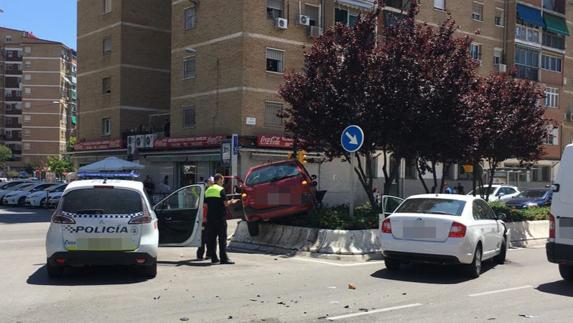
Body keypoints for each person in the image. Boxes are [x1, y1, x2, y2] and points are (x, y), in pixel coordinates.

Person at [205, 174, 234, 265]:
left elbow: (205, 205)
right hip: (220, 218)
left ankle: (214, 258)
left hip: (210, 218)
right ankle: (223, 258)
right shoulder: (220, 190)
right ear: (218, 180)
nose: (222, 183)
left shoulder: (208, 190)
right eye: (222, 181)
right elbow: (225, 203)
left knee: (212, 239)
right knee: (222, 238)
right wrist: (232, 202)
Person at [197, 177, 214, 260]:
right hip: (205, 218)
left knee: (207, 237)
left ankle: (207, 254)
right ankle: (202, 254)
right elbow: (204, 206)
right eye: (210, 182)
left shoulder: (207, 191)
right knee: (204, 237)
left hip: (208, 218)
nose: (212, 183)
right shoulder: (205, 192)